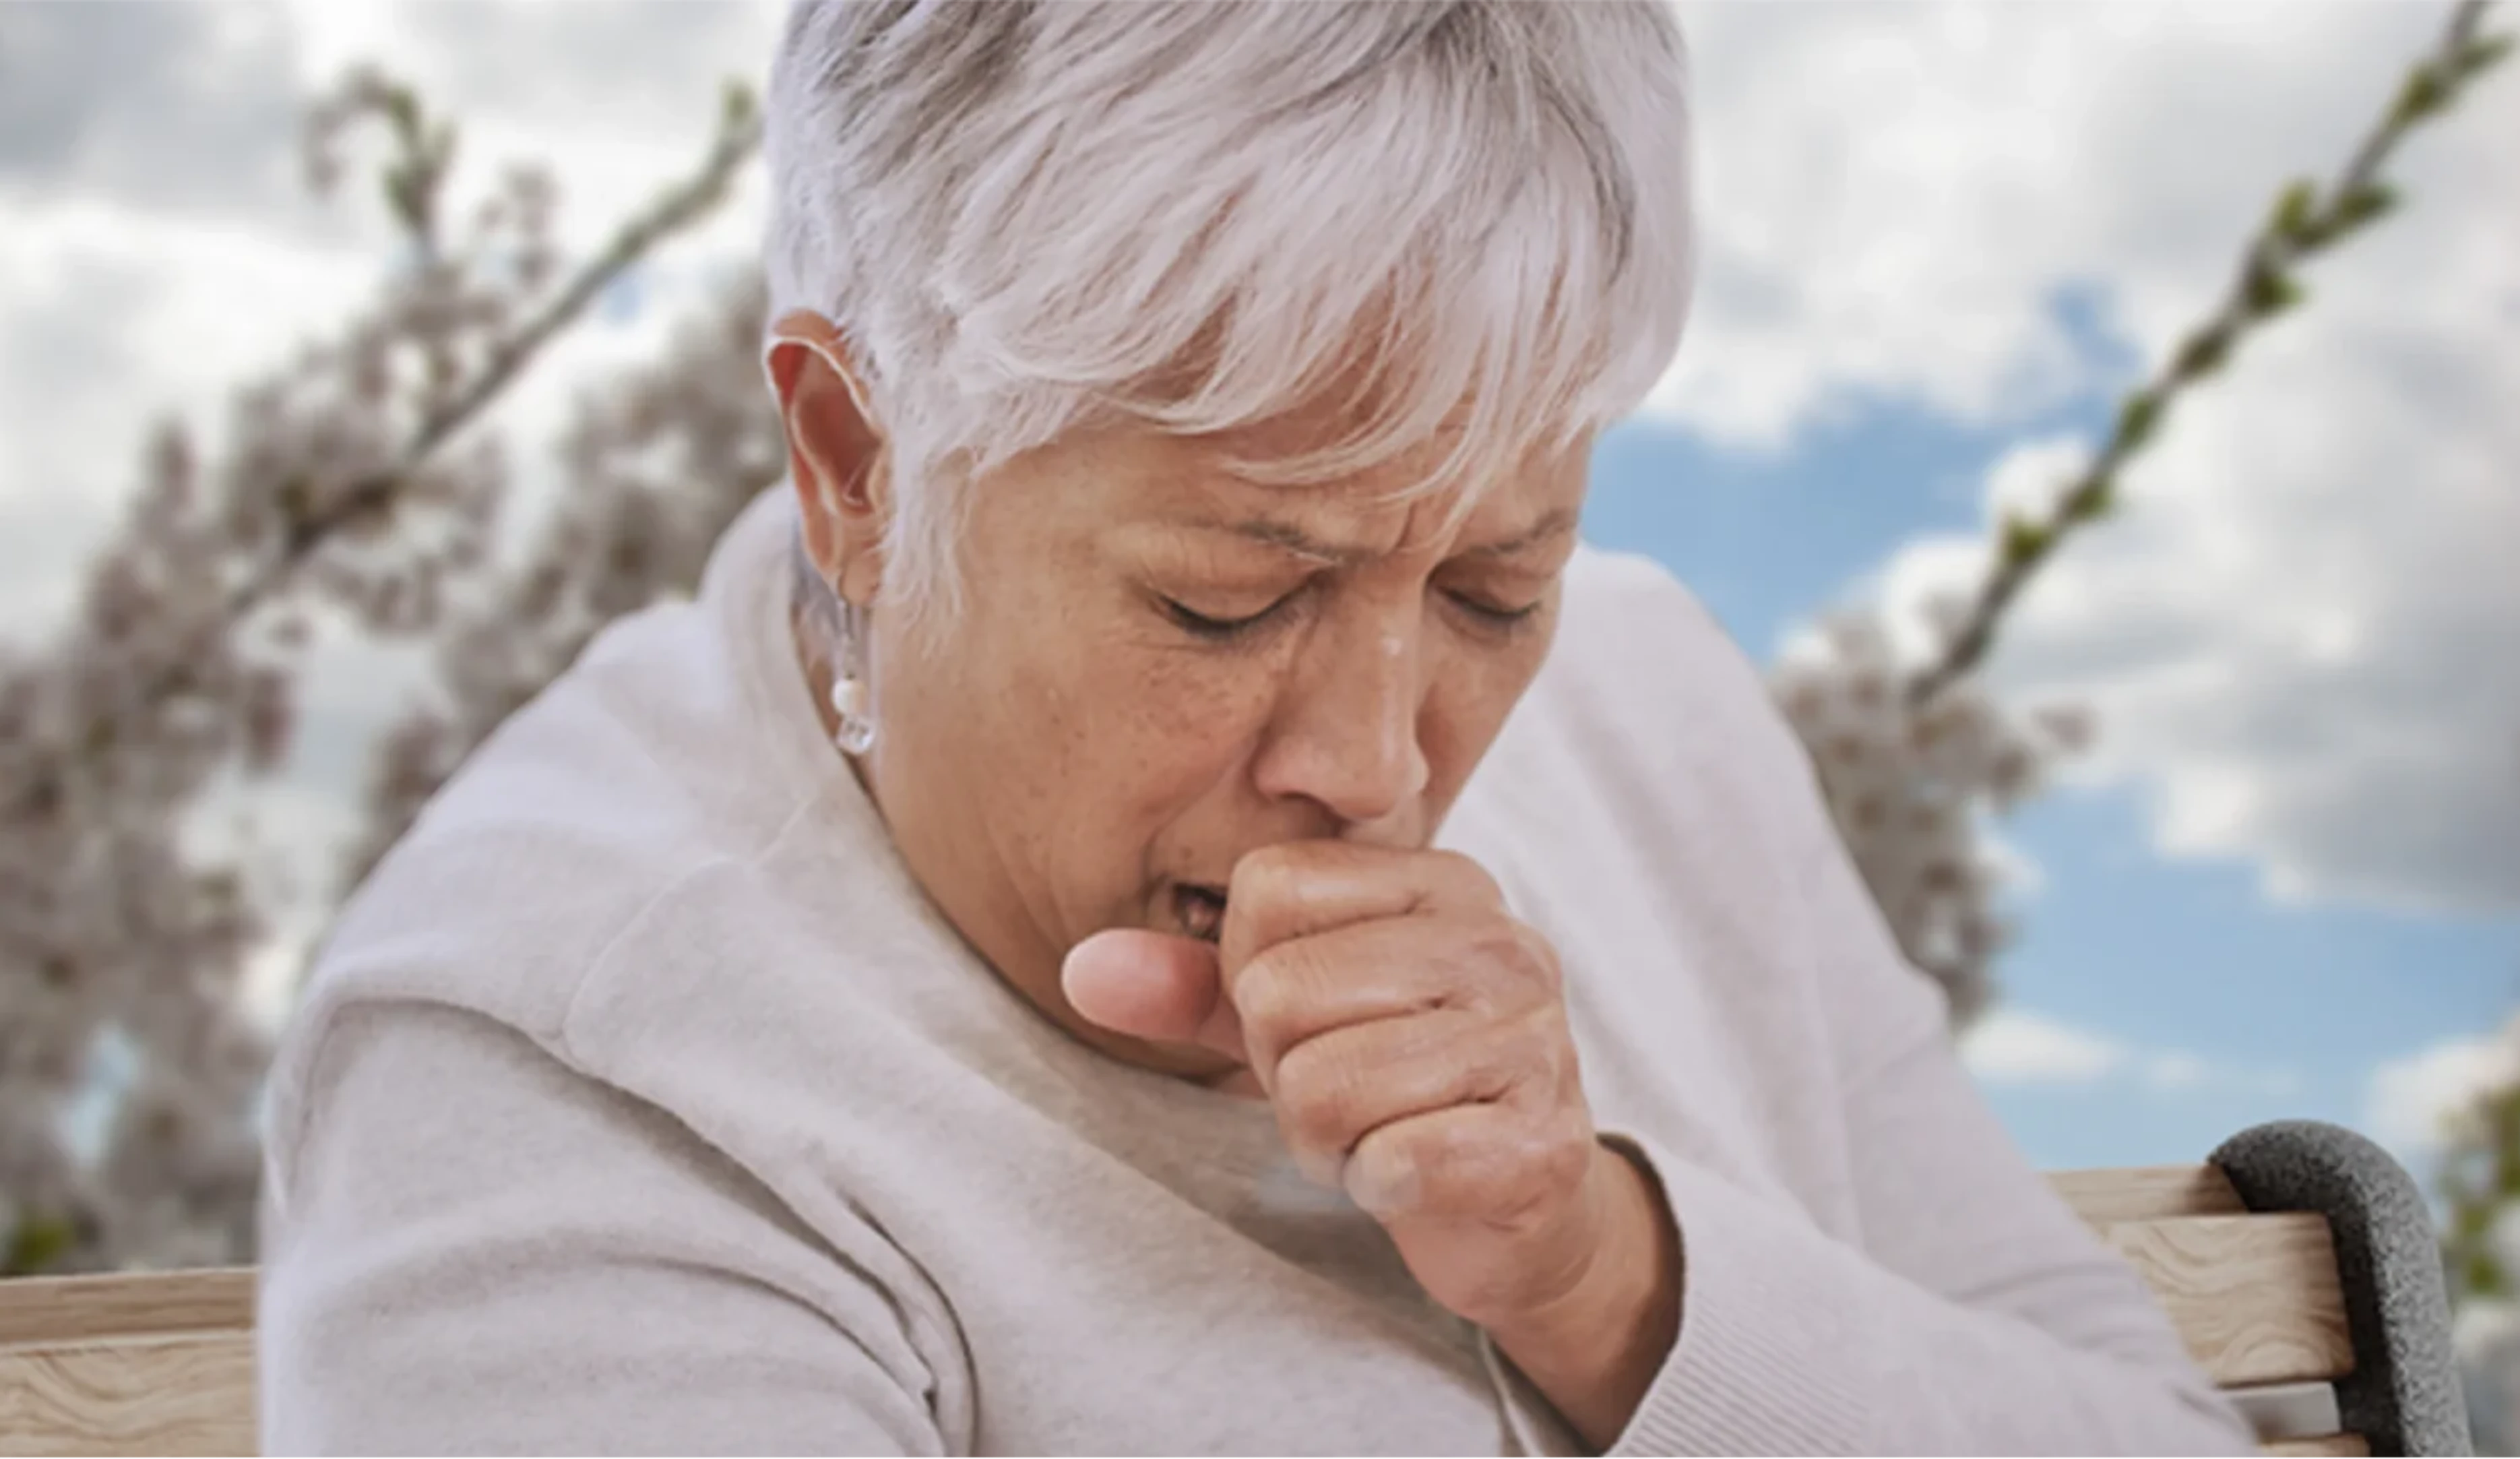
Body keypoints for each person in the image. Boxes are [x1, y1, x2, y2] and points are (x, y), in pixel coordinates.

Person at [256, 3, 2262, 1456]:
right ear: (857, 462)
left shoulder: (1655, 700)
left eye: (1494, 584)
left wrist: (1609, 1279)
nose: (1380, 759)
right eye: (1237, 592)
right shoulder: (551, 1075)